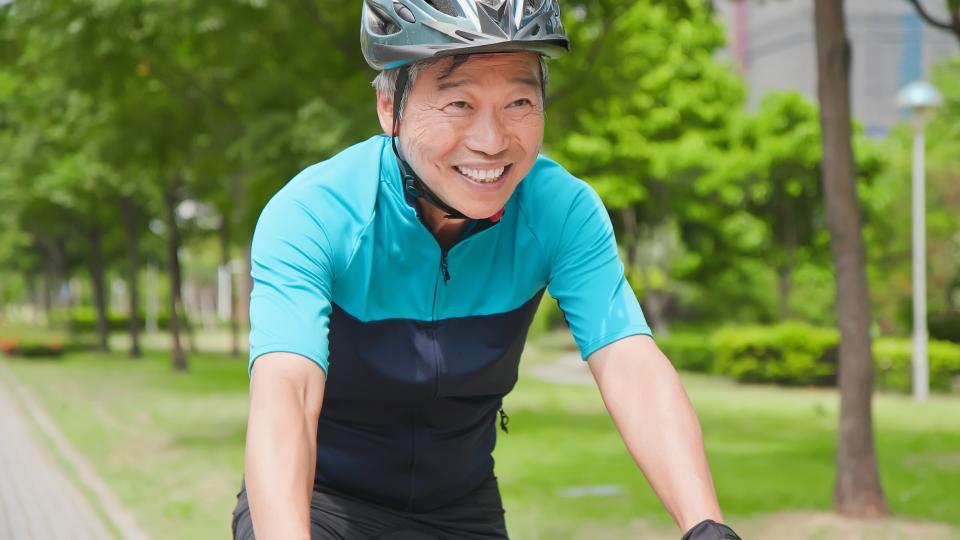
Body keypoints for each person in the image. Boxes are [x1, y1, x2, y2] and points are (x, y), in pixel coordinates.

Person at [232, 1, 742, 539]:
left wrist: (705, 525)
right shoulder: (315, 213)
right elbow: (286, 390)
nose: (492, 141)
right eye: (458, 103)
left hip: (460, 509)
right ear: (390, 106)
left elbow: (628, 362)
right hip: (323, 503)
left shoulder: (560, 210)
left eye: (519, 101)